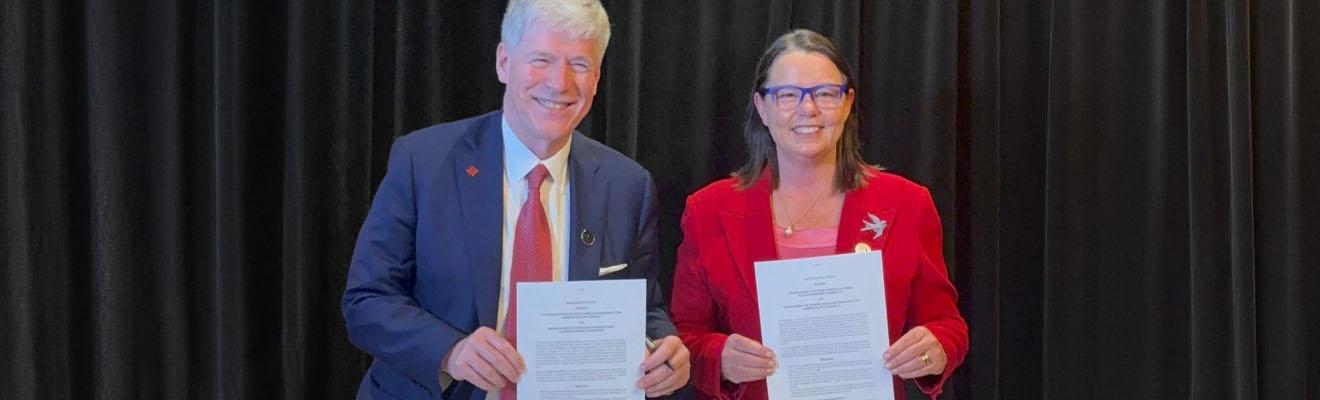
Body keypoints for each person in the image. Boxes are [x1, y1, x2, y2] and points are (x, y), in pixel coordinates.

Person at [342, 0, 690, 398]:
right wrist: (450, 351)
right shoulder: (424, 162)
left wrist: (665, 350)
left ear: (596, 79)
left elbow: (644, 310)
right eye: (541, 59)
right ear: (504, 62)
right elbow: (367, 300)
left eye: (579, 64)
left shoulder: (627, 185)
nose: (559, 83)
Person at [670, 29, 968, 400]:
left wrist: (935, 348)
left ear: (847, 104)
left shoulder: (908, 203)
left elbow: (947, 325)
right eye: (788, 95)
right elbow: (684, 335)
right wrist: (718, 358)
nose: (807, 109)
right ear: (762, 108)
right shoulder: (708, 210)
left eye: (825, 94)